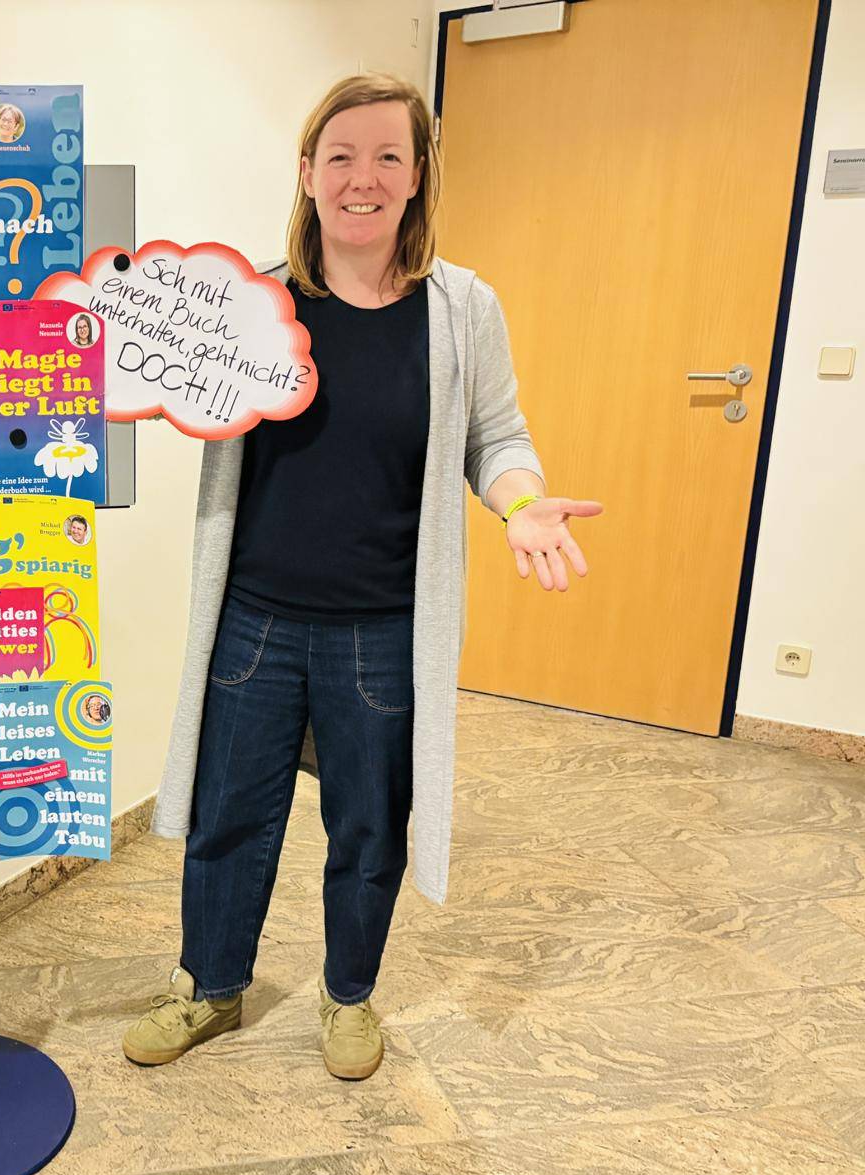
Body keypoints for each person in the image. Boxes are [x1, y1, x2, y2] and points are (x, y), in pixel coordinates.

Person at [125, 74, 603, 1081]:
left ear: (417, 175)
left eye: (388, 155)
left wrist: (521, 501)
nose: (362, 177)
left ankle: (348, 996)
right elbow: (156, 380)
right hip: (251, 621)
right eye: (341, 155)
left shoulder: (461, 307)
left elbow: (497, 435)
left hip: (381, 632)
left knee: (368, 827)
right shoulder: (249, 301)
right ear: (307, 172)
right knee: (228, 817)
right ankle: (207, 986)